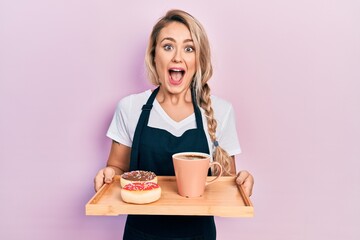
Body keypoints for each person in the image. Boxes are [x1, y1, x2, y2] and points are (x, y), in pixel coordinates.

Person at [94, 9, 254, 240]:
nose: (178, 57)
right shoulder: (130, 108)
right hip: (141, 234)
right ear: (154, 55)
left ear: (198, 60)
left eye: (189, 48)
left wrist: (241, 181)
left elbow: (225, 182)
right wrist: (109, 174)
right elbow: (118, 171)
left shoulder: (221, 111)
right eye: (168, 46)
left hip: (199, 235)